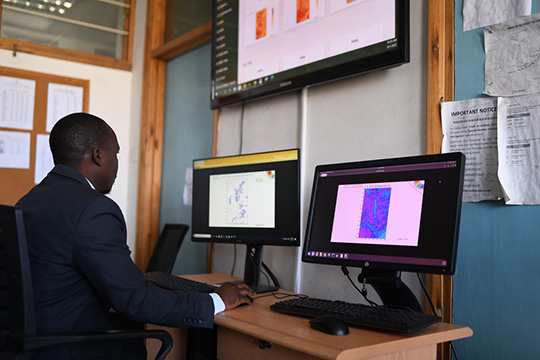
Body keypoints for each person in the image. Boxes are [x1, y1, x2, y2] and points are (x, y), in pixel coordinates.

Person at [16, 112, 254, 359]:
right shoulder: (93, 209)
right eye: (115, 153)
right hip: (72, 348)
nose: (117, 163)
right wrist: (217, 300)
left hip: (34, 344)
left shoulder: (30, 200)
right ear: (98, 155)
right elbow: (135, 300)